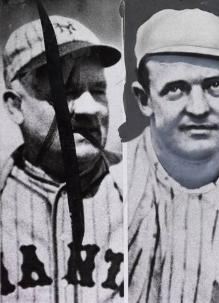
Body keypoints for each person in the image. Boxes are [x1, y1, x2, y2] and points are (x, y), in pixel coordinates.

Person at [125, 9, 219, 303]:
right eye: (176, 89)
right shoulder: (111, 183)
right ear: (144, 99)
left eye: (214, 85)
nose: (197, 108)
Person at [0, 16, 124, 302]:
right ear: (15, 107)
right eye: (64, 92)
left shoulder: (144, 195)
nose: (89, 108)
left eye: (98, 90)